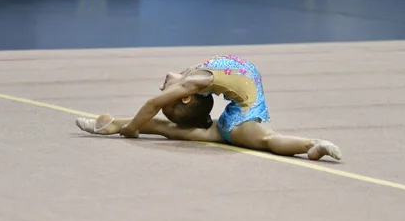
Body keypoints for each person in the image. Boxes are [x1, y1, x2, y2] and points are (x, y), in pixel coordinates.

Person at [76, 55, 342, 161]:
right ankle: (112, 125)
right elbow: (156, 108)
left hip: (240, 119)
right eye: (166, 90)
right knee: (270, 139)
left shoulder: (194, 78)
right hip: (238, 120)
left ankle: (311, 145)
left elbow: (152, 106)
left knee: (168, 128)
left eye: (166, 91)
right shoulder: (194, 79)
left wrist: (133, 128)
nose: (162, 88)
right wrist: (133, 127)